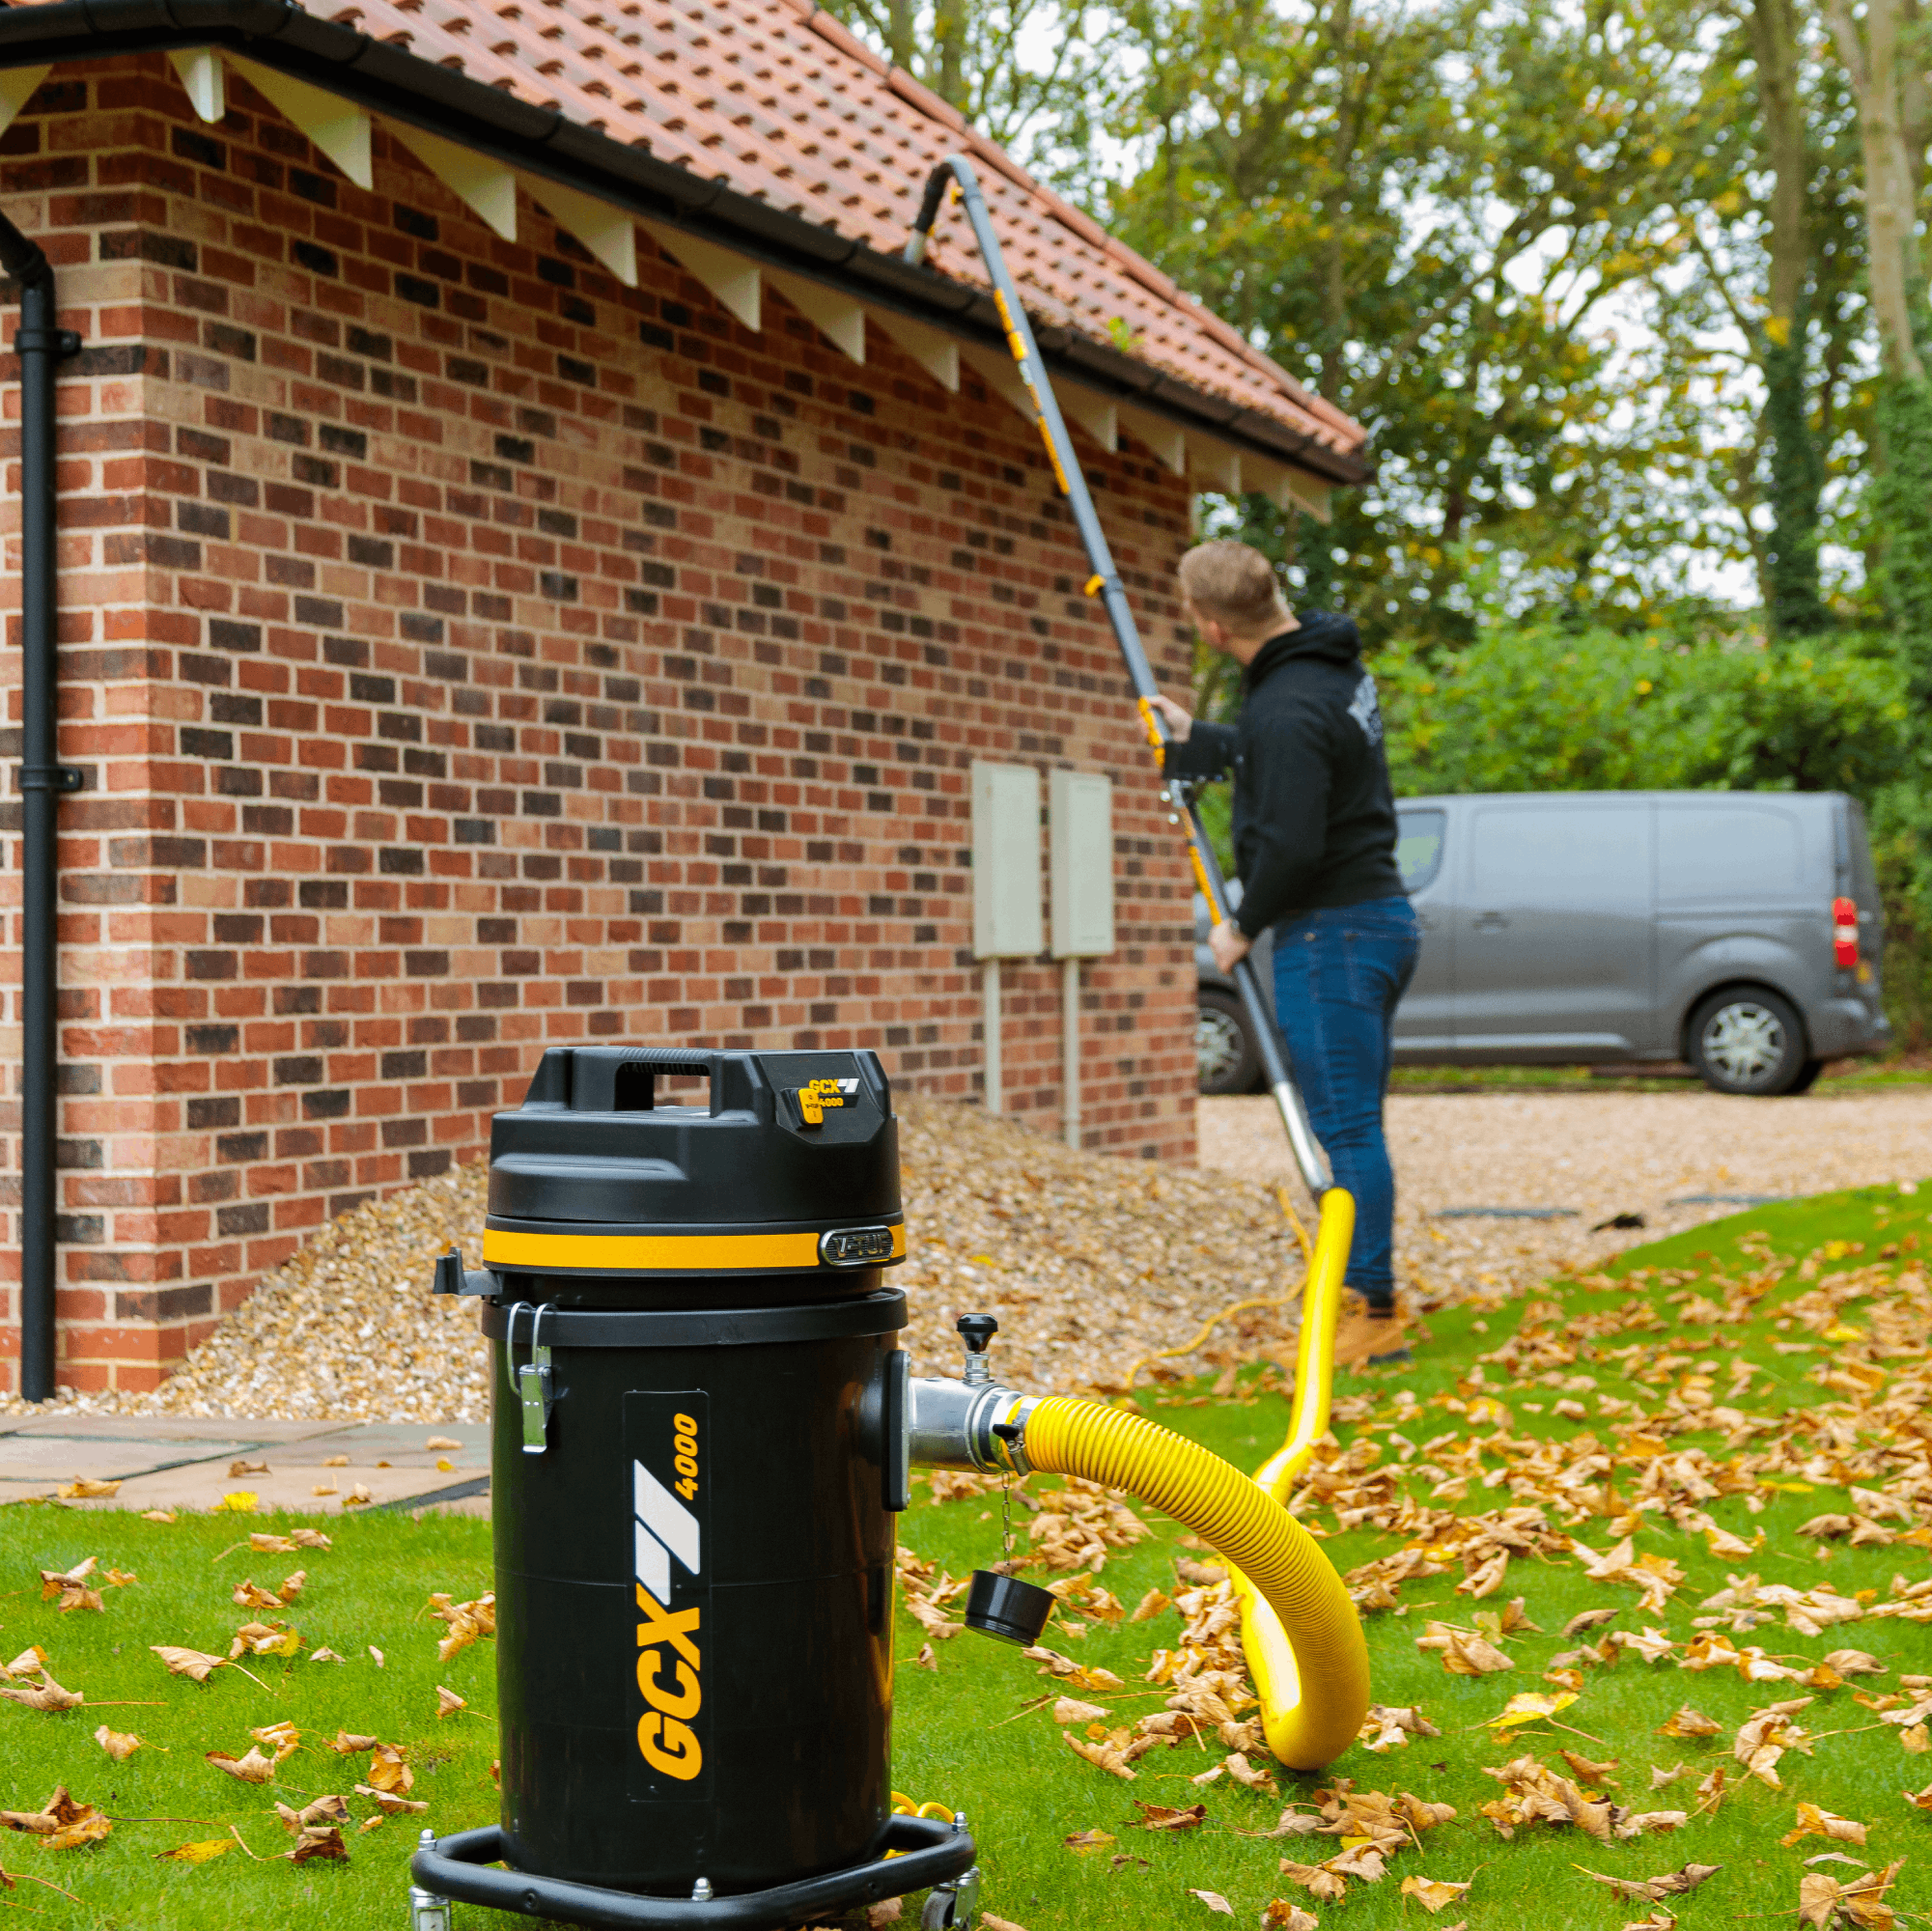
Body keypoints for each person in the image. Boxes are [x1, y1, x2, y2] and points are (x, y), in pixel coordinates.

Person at [1149, 540, 1419, 1367]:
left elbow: (1295, 840)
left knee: (1343, 1129)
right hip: (1371, 919)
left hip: (1329, 932)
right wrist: (1206, 738)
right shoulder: (1326, 671)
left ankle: (1370, 1309)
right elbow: (1294, 763)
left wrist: (1242, 922)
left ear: (1209, 626)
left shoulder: (1286, 704)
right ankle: (1354, 1284)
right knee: (1352, 1125)